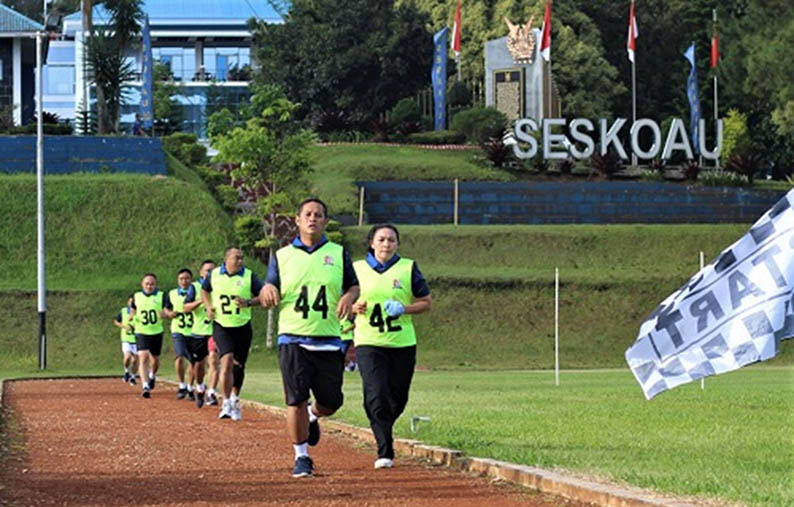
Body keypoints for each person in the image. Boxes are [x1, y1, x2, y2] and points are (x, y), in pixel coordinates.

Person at [260, 198, 359, 479]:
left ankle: (314, 416)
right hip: (292, 337)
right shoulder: (282, 256)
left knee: (331, 401)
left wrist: (349, 297)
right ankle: (301, 456)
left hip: (329, 337)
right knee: (295, 400)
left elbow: (353, 285)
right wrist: (267, 290)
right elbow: (270, 285)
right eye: (308, 214)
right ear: (297, 220)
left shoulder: (338, 253)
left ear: (325, 221)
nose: (312, 218)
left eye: (318, 215)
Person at [351, 224, 431, 469]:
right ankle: (384, 450)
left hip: (402, 343)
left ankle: (381, 422)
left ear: (397, 244)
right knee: (377, 394)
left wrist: (404, 308)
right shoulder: (357, 269)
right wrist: (353, 307)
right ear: (371, 243)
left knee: (398, 398)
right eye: (381, 239)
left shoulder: (408, 268)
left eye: (391, 240)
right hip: (369, 342)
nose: (386, 244)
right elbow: (342, 300)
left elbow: (426, 302)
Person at [201, 247, 262, 420]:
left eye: (242, 258)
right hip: (222, 325)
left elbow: (263, 296)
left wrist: (248, 302)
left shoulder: (249, 276)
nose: (240, 261)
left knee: (238, 366)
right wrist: (208, 306)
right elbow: (204, 290)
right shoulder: (214, 275)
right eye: (236, 258)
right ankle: (226, 402)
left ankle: (235, 398)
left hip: (242, 326)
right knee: (226, 361)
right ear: (226, 259)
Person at [130, 273, 170, 398]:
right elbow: (133, 309)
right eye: (147, 284)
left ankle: (152, 375)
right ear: (142, 284)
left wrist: (165, 314)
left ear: (155, 285)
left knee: (155, 359)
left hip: (156, 331)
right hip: (141, 331)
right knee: (143, 357)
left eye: (152, 284)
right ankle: (145, 385)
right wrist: (133, 319)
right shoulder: (136, 296)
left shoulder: (161, 296)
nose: (149, 286)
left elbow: (167, 309)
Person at [182, 260, 216, 408]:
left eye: (213, 270)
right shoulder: (194, 287)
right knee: (198, 365)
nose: (210, 273)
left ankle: (212, 393)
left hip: (216, 331)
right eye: (207, 270)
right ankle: (201, 386)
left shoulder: (220, 285)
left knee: (214, 361)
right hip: (198, 332)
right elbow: (185, 308)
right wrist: (201, 301)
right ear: (201, 273)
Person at [167, 268, 195, 400]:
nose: (184, 281)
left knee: (193, 361)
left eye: (187, 278)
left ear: (191, 279)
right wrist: (169, 313)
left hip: (194, 331)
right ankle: (182, 385)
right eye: (181, 279)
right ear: (178, 280)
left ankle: (190, 387)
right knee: (179, 357)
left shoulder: (197, 292)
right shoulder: (172, 294)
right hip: (178, 330)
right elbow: (166, 308)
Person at [112, 293, 138, 385]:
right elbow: (116, 321)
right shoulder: (123, 311)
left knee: (135, 360)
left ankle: (133, 377)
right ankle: (126, 371)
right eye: (130, 301)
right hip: (126, 338)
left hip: (137, 339)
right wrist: (124, 326)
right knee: (127, 357)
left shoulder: (139, 311)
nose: (132, 303)